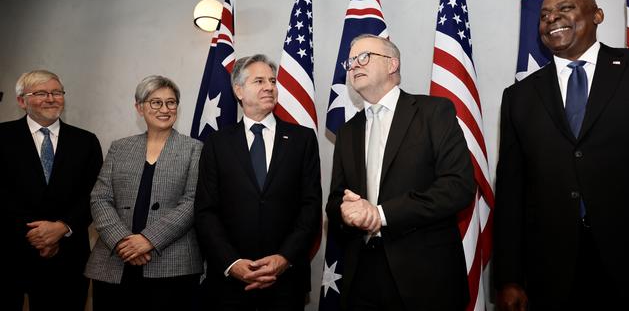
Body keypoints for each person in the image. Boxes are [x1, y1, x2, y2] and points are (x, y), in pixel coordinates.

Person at [494, 0, 629, 310]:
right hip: (553, 270)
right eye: (545, 15)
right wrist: (509, 277)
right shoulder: (519, 97)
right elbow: (512, 191)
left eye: (565, 9)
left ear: (597, 15)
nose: (552, 18)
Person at [325, 34, 475, 311]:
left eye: (364, 57)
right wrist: (345, 212)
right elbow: (335, 200)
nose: (354, 65)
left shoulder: (434, 112)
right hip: (362, 275)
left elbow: (458, 186)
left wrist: (381, 214)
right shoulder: (348, 131)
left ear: (392, 64)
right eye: (351, 61)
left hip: (425, 276)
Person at [195, 54, 322, 311]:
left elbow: (310, 206)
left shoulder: (302, 139)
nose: (270, 87)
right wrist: (232, 263)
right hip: (230, 283)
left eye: (273, 81)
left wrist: (284, 258)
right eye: (259, 81)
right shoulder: (217, 143)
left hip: (286, 281)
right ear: (238, 90)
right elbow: (206, 211)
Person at [85, 75, 204, 311]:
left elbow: (192, 202)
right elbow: (100, 198)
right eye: (155, 102)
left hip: (172, 264)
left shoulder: (195, 149)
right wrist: (122, 241)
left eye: (171, 102)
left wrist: (148, 240)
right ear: (139, 108)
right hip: (115, 261)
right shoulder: (120, 147)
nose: (165, 109)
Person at [0, 70, 103, 310]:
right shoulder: (2, 137)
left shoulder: (86, 141)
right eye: (41, 93)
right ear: (21, 101)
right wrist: (36, 233)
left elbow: (96, 194)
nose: (51, 98)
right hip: (8, 252)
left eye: (57, 92)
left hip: (66, 257)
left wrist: (61, 228)